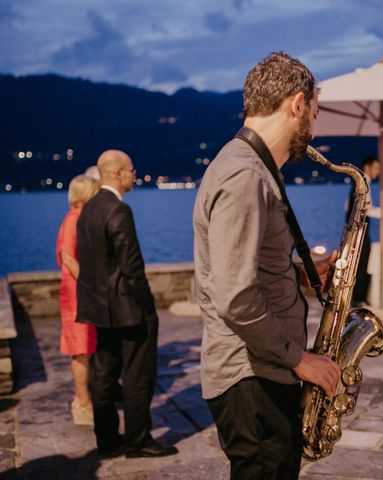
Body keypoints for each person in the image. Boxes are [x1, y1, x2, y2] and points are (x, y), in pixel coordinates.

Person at [193, 51, 341, 479]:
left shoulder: (252, 169)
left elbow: (245, 272)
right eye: (313, 114)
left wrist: (301, 276)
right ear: (297, 104)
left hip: (258, 371)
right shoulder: (243, 175)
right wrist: (300, 360)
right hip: (251, 374)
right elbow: (236, 296)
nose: (313, 129)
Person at [76, 150, 178, 458]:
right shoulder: (119, 210)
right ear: (117, 173)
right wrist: (148, 307)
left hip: (98, 308)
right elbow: (131, 266)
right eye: (131, 170)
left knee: (104, 374)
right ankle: (137, 440)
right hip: (127, 310)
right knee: (137, 375)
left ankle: (106, 439)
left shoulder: (88, 208)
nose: (134, 175)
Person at [56, 174, 100, 427]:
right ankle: (83, 402)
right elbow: (69, 258)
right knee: (81, 349)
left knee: (84, 347)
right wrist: (91, 284)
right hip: (77, 292)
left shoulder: (73, 217)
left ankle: (84, 399)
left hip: (76, 290)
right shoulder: (74, 219)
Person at [346, 155, 383, 306]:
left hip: (357, 230)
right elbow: (367, 210)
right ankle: (358, 300)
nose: (378, 172)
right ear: (367, 167)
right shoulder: (363, 183)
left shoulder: (360, 183)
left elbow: (348, 206)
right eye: (377, 168)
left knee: (361, 264)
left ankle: (360, 298)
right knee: (361, 264)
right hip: (359, 232)